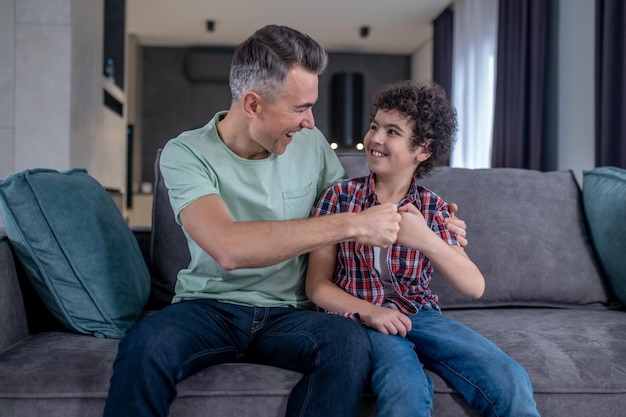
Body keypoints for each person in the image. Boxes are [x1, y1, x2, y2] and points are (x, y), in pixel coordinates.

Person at [103, 26, 468, 417]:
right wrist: (352, 223)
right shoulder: (186, 153)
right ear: (253, 104)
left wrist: (428, 223)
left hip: (294, 314)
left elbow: (361, 203)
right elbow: (229, 247)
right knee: (146, 346)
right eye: (299, 108)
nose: (311, 122)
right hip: (210, 307)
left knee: (348, 345)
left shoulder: (310, 144)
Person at [306, 80, 541, 417]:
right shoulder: (339, 198)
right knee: (405, 388)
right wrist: (369, 311)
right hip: (363, 319)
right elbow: (317, 285)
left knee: (510, 377)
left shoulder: (434, 209)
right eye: (375, 126)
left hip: (421, 315)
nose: (375, 139)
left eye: (392, 132)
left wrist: (425, 239)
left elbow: (474, 286)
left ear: (424, 149)